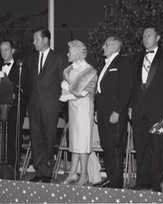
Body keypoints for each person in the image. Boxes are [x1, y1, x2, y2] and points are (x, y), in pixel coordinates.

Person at [130, 27, 163, 192]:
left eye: (149, 35)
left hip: (159, 110)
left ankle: (157, 184)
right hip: (138, 111)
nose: (145, 38)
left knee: (158, 148)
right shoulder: (137, 58)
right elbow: (132, 86)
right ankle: (142, 181)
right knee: (141, 146)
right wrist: (130, 106)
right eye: (143, 35)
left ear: (158, 38)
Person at [28, 28, 69, 183]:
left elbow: (63, 83)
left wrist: (59, 106)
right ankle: (39, 170)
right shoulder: (31, 59)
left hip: (50, 106)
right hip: (34, 105)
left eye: (36, 39)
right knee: (35, 137)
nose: (34, 42)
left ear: (45, 40)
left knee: (49, 138)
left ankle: (47, 172)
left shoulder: (59, 57)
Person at [93, 36, 133, 188]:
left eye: (107, 44)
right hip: (103, 112)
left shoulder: (123, 62)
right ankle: (110, 178)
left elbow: (126, 89)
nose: (103, 47)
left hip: (114, 113)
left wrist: (117, 111)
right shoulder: (105, 64)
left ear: (116, 46)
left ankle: (117, 183)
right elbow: (100, 91)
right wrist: (97, 110)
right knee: (106, 146)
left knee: (115, 147)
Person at [59, 40, 97, 186]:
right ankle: (73, 173)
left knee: (83, 142)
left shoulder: (89, 70)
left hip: (84, 108)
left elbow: (84, 91)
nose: (67, 54)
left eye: (70, 52)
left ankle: (84, 175)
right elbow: (69, 88)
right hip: (73, 108)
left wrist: (68, 93)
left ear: (76, 53)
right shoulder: (70, 69)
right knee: (74, 141)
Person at [0, 40, 29, 179]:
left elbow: (25, 88)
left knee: (14, 139)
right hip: (1, 109)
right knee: (3, 139)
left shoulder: (21, 67)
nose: (3, 53)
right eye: (1, 50)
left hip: (15, 108)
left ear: (13, 51)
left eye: (6, 49)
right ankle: (2, 168)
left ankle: (14, 171)